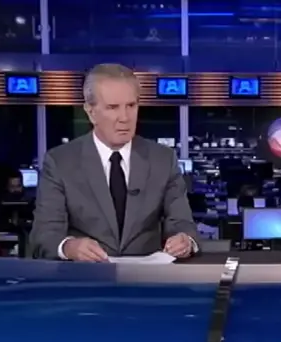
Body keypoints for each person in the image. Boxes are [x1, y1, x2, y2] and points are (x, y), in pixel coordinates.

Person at [30, 63, 198, 262]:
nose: (124, 118)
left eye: (131, 106)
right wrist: (69, 247)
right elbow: (44, 235)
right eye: (113, 107)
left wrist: (184, 240)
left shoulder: (163, 159)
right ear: (91, 112)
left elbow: (182, 223)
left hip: (146, 277)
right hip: (86, 276)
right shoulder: (60, 162)